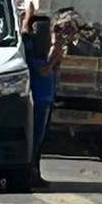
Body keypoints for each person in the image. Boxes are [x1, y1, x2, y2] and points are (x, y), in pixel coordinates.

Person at [24, 14, 65, 190]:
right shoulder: (30, 47)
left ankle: (35, 173)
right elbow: (43, 70)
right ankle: (27, 173)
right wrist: (54, 54)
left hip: (47, 97)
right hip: (36, 98)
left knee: (40, 142)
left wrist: (57, 46)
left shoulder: (44, 47)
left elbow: (55, 68)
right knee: (34, 139)